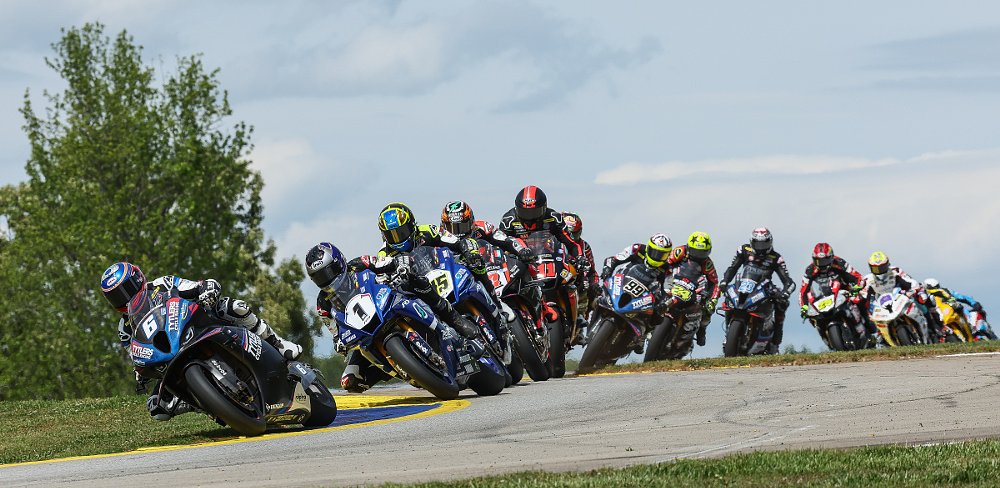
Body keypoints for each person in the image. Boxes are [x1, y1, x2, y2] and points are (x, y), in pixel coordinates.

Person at [100, 262, 302, 420]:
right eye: (116, 296)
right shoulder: (124, 328)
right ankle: (205, 402)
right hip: (169, 355)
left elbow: (193, 286)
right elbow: (135, 353)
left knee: (234, 307)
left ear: (138, 278)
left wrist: (206, 289)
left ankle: (277, 342)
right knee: (157, 408)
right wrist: (140, 372)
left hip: (196, 322)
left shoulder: (162, 283)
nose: (125, 297)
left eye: (127, 288)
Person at [306, 242, 482, 393]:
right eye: (320, 277)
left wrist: (399, 264)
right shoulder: (323, 304)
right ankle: (404, 369)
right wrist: (339, 342)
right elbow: (334, 330)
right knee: (349, 381)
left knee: (414, 281)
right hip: (363, 332)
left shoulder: (359, 264)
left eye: (329, 271)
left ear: (339, 262)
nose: (327, 279)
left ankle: (454, 319)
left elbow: (386, 262)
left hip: (387, 301)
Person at [378, 202, 496, 297]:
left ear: (411, 225)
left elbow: (455, 241)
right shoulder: (384, 254)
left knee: (476, 265)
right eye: (391, 235)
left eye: (401, 232)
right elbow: (381, 279)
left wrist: (468, 250)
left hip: (442, 273)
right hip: (418, 290)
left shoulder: (428, 230)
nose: (397, 239)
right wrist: (386, 279)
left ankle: (495, 301)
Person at [720, 228, 796, 354]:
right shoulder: (744, 250)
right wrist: (724, 281)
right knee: (728, 297)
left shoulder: (776, 258)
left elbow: (789, 281)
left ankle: (775, 341)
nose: (761, 248)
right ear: (752, 242)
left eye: (764, 244)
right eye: (758, 244)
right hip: (744, 284)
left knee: (782, 304)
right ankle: (729, 332)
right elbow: (732, 268)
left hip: (765, 287)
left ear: (770, 242)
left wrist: (785, 293)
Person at [859, 252, 944, 343]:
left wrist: (915, 290)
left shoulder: (895, 271)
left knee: (923, 299)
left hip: (900, 295)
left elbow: (909, 281)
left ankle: (935, 326)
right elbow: (864, 294)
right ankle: (883, 340)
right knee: (871, 319)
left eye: (882, 267)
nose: (879, 271)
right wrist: (864, 303)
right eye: (875, 268)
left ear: (887, 264)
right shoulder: (868, 279)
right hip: (883, 303)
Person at [799, 243, 874, 340]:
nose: (822, 264)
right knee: (812, 317)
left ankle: (867, 323)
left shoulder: (839, 262)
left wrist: (857, 287)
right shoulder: (810, 270)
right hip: (823, 298)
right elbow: (803, 290)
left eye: (824, 260)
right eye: (818, 261)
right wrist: (804, 306)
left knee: (858, 300)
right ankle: (825, 337)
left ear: (831, 257)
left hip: (844, 290)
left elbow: (857, 276)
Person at [666, 231, 720, 348]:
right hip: (674, 281)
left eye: (702, 253)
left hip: (693, 287)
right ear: (689, 247)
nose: (698, 255)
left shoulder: (707, 263)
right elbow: (666, 263)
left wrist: (712, 300)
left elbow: (715, 283)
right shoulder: (679, 251)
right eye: (696, 251)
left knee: (708, 309)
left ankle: (702, 329)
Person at [562, 211, 600, 343]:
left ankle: (580, 319)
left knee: (589, 287)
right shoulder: (549, 241)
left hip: (575, 279)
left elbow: (592, 271)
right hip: (554, 274)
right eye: (568, 234)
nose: (571, 238)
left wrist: (595, 284)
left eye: (575, 234)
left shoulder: (584, 246)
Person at [922, 278, 993, 337]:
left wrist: (974, 303)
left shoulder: (946, 291)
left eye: (936, 286)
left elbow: (962, 297)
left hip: (955, 312)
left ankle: (975, 329)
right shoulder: (925, 297)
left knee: (973, 317)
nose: (935, 289)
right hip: (939, 317)